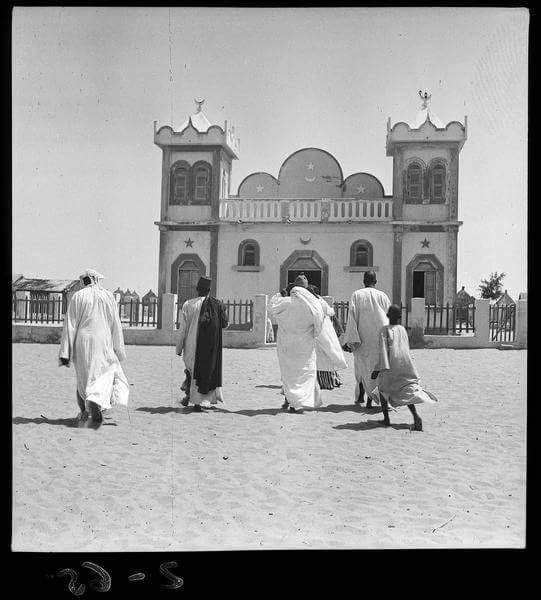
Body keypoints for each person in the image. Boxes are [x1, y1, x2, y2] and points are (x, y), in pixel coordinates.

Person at [58, 269, 129, 429]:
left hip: (82, 342)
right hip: (103, 341)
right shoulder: (108, 296)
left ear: (84, 281)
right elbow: (115, 324)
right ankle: (96, 405)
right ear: (96, 279)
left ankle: (84, 411)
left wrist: (65, 352)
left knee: (83, 378)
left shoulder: (78, 296)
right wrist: (119, 349)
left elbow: (70, 325)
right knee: (103, 375)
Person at [371, 304, 438, 431]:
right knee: (407, 390)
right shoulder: (403, 329)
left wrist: (378, 368)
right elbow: (405, 348)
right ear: (400, 317)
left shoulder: (384, 330)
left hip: (390, 364)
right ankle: (416, 417)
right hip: (405, 364)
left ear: (387, 315)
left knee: (382, 390)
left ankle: (386, 419)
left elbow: (383, 351)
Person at [268, 274, 324, 413]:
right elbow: (320, 322)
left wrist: (280, 294)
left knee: (289, 374)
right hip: (305, 346)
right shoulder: (314, 305)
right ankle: (299, 401)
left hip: (287, 345)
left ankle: (292, 401)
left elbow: (271, 307)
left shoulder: (286, 302)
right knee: (306, 373)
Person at [176, 276, 229, 412]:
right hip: (210, 348)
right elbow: (225, 324)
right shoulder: (217, 304)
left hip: (191, 347)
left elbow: (183, 329)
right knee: (205, 371)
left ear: (197, 289)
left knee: (192, 372)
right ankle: (195, 399)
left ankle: (194, 401)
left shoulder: (188, 305)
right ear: (209, 290)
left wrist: (179, 348)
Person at [342, 270, 391, 407]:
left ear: (363, 281)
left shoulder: (357, 295)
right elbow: (389, 317)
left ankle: (361, 398)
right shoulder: (383, 296)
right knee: (379, 369)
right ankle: (380, 398)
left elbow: (352, 317)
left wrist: (350, 340)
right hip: (380, 338)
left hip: (363, 338)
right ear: (375, 282)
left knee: (362, 369)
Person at [307, 285, 348, 392]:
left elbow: (331, 314)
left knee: (321, 356)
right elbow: (331, 313)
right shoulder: (320, 302)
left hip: (319, 332)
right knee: (324, 356)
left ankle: (321, 381)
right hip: (319, 332)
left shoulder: (317, 302)